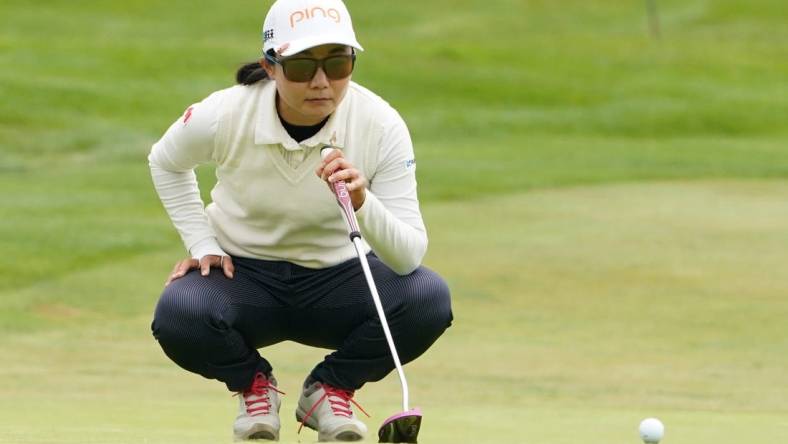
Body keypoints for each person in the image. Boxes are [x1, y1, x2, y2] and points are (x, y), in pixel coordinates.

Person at [147, 0, 453, 441]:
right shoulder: (225, 113)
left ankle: (330, 390)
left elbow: (407, 258)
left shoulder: (380, 124)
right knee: (180, 312)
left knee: (428, 298)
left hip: (340, 281)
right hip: (243, 277)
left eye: (337, 63)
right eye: (301, 66)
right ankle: (254, 386)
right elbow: (165, 162)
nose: (321, 81)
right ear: (270, 67)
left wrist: (364, 202)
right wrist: (202, 244)